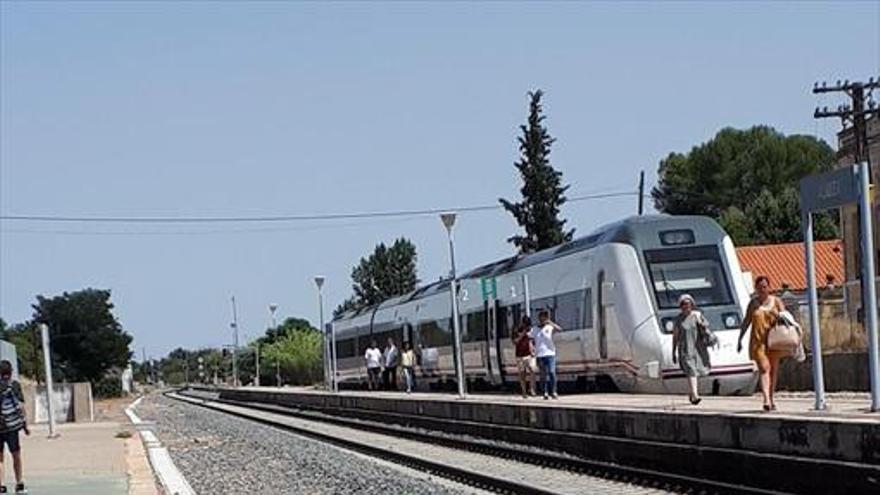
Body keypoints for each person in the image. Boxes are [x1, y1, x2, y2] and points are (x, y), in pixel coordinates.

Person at [738, 275, 786, 411]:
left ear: (769, 287)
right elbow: (746, 321)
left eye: (764, 287)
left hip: (774, 341)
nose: (762, 290)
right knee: (764, 368)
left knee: (774, 370)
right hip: (758, 342)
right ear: (756, 288)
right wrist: (740, 338)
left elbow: (786, 319)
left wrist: (779, 316)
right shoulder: (753, 303)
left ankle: (771, 398)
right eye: (759, 287)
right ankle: (766, 400)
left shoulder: (776, 301)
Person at [671, 294, 716, 405]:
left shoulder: (697, 315)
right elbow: (675, 336)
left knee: (697, 371)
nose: (686, 306)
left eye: (688, 304)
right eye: (683, 304)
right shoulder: (678, 320)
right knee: (691, 371)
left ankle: (692, 393)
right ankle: (695, 395)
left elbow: (706, 328)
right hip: (685, 350)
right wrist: (673, 351)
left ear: (692, 305)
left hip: (698, 348)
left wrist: (700, 322)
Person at [0, 360, 28, 494]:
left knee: (0, 457)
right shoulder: (15, 385)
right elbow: (21, 406)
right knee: (16, 454)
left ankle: (1, 485)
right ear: (11, 372)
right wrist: (25, 424)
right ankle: (19, 483)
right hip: (12, 427)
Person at [530, 310, 561, 400]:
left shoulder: (549, 327)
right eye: (542, 317)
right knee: (543, 375)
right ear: (539, 318)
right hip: (540, 354)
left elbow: (559, 329)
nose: (543, 319)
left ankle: (554, 391)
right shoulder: (535, 329)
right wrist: (532, 348)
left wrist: (550, 322)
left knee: (551, 372)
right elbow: (530, 339)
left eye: (545, 317)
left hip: (550, 353)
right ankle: (545, 392)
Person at [512, 316, 536, 398]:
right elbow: (515, 342)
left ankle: (532, 389)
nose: (527, 327)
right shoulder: (516, 330)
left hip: (529, 354)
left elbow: (532, 341)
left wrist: (532, 350)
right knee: (522, 373)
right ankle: (524, 391)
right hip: (519, 355)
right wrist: (523, 334)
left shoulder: (531, 330)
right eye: (526, 325)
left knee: (532, 369)